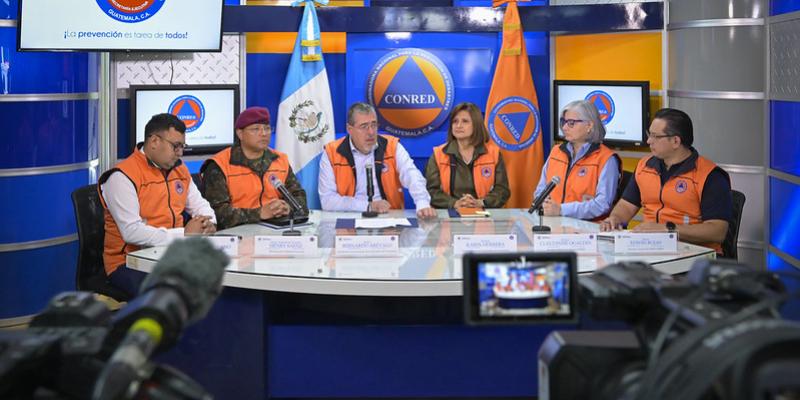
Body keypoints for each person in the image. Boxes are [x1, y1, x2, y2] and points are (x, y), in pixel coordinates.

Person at [98, 113, 217, 297]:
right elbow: (131, 232)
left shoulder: (179, 169)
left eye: (182, 146)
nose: (180, 153)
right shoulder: (121, 176)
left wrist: (208, 222)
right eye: (176, 146)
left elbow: (200, 205)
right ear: (154, 141)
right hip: (128, 262)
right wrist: (184, 234)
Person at [600, 108, 732, 254]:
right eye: (649, 134)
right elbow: (626, 205)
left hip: (695, 255)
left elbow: (717, 231)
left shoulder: (710, 175)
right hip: (649, 248)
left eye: (656, 136)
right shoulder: (644, 166)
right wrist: (614, 218)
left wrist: (667, 230)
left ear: (676, 141)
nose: (649, 141)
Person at [318, 102, 436, 219]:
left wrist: (422, 203)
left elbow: (412, 175)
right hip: (348, 219)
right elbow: (327, 200)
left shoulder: (392, 146)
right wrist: (368, 206)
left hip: (389, 218)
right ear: (350, 129)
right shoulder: (332, 153)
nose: (370, 132)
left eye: (373, 125)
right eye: (364, 126)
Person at [201, 106, 307, 230]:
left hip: (275, 232)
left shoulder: (280, 160)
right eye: (256, 129)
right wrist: (259, 213)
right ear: (240, 134)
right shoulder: (220, 164)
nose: (263, 134)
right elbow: (216, 214)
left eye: (267, 128)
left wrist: (287, 207)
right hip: (236, 235)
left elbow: (300, 199)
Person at [534, 100, 621, 220]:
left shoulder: (606, 159)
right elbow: (540, 191)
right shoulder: (556, 152)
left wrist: (561, 210)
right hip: (552, 224)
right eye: (563, 122)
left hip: (587, 230)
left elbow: (602, 204)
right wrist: (543, 204)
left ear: (589, 125)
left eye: (571, 123)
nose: (564, 127)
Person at [425, 102, 510, 208]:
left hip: (485, 215)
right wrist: (455, 203)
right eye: (455, 121)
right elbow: (431, 191)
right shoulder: (438, 154)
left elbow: (502, 190)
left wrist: (481, 202)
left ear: (476, 125)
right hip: (449, 215)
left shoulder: (494, 154)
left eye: (465, 121)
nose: (458, 125)